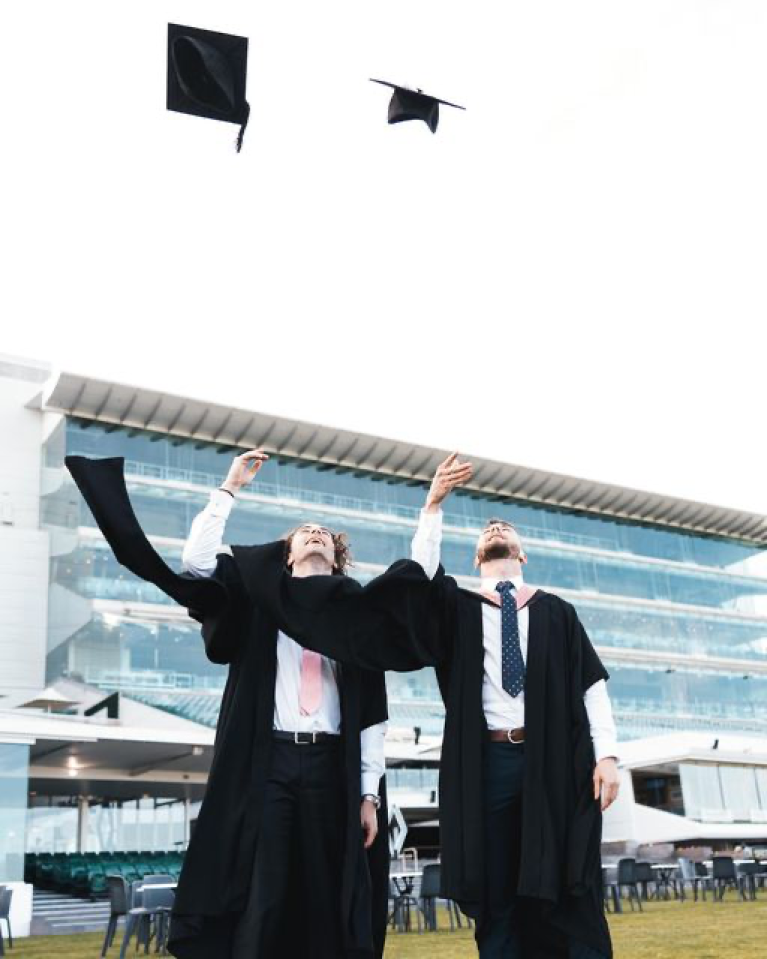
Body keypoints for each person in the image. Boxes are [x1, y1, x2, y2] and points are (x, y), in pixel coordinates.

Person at [264, 453, 621, 959]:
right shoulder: (458, 608)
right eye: (488, 529)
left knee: (564, 874)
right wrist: (433, 506)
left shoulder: (557, 611)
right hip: (486, 763)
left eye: (506, 528)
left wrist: (606, 755)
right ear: (477, 558)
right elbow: (422, 580)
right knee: (493, 881)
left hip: (555, 762)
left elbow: (591, 685)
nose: (496, 528)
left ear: (523, 557)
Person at [65, 451, 403, 959]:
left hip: (334, 766)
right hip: (270, 762)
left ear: (337, 557)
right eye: (303, 531)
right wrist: (228, 489)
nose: (314, 533)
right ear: (287, 556)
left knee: (325, 885)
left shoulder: (355, 617)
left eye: (324, 533)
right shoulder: (260, 600)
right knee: (262, 886)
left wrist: (369, 795)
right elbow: (196, 564)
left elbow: (373, 714)